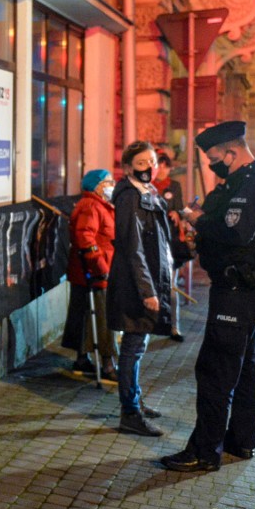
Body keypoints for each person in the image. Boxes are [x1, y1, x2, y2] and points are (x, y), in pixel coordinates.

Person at [161, 120, 255, 473]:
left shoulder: (254, 183)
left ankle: (203, 451)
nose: (214, 164)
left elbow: (236, 230)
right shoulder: (243, 180)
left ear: (232, 151)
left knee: (216, 370)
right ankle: (240, 440)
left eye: (216, 157)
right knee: (244, 368)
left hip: (238, 290)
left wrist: (199, 220)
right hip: (244, 287)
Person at [107, 141, 176, 437]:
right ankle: (130, 412)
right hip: (135, 284)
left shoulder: (148, 193)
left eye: (152, 161)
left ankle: (134, 400)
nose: (149, 167)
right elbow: (133, 246)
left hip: (146, 280)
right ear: (127, 168)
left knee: (139, 345)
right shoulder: (130, 196)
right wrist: (148, 290)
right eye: (141, 163)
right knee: (133, 347)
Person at [62, 169, 117, 381]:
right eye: (108, 182)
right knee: (104, 317)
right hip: (94, 272)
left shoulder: (99, 205)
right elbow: (85, 238)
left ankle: (82, 358)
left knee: (86, 314)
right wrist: (100, 267)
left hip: (94, 270)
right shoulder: (91, 206)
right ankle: (108, 363)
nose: (112, 185)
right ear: (97, 186)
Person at [154, 152, 186, 342]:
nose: (162, 170)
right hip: (151, 242)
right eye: (159, 165)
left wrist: (177, 213)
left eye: (165, 166)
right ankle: (155, 323)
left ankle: (174, 327)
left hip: (171, 241)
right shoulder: (148, 187)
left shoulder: (174, 186)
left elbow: (181, 209)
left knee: (171, 287)